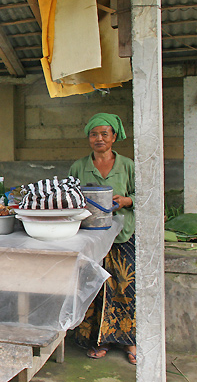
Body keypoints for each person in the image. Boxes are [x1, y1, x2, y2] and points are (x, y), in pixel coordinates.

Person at [69, 113, 137, 365]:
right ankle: (99, 340)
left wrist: (127, 200)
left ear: (114, 137)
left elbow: (146, 193)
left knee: (124, 286)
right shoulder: (78, 167)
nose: (99, 138)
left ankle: (130, 340)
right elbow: (68, 197)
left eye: (104, 134)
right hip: (89, 237)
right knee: (94, 286)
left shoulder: (128, 165)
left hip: (122, 235)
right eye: (93, 134)